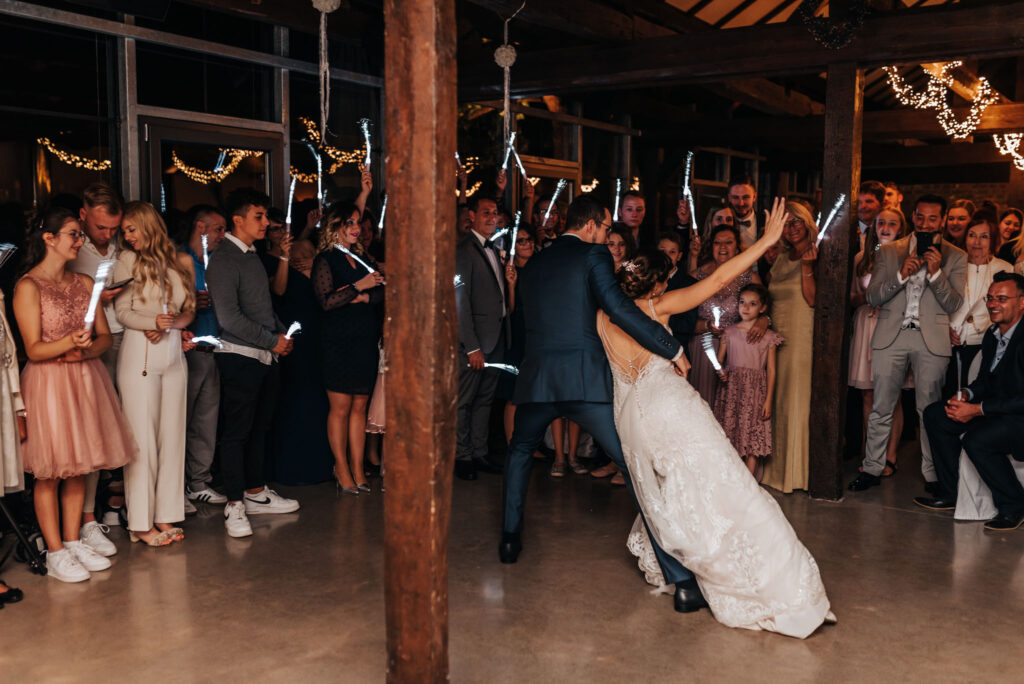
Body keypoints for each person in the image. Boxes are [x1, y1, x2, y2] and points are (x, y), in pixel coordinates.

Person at [599, 198, 834, 638]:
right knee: (727, 486)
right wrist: (764, 241)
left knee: (670, 492)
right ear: (657, 286)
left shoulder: (601, 317)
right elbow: (721, 278)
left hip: (630, 415)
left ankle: (687, 575)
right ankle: (764, 579)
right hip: (671, 407)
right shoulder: (659, 307)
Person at [499, 195, 707, 615]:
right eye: (606, 227)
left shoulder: (534, 262)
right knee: (632, 468)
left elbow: (523, 320)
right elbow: (617, 309)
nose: (607, 235)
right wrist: (669, 347)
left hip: (538, 379)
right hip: (584, 382)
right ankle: (682, 582)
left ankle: (508, 540)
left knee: (519, 452)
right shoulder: (592, 255)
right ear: (592, 225)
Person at [13, 206, 135, 581]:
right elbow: (33, 349)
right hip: (48, 384)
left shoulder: (84, 282)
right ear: (49, 238)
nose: (79, 241)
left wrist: (85, 350)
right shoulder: (28, 286)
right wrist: (69, 342)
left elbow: (104, 338)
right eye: (73, 234)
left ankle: (73, 540)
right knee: (51, 472)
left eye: (80, 234)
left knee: (80, 466)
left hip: (85, 379)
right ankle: (54, 552)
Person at [849, 194, 967, 494]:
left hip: (932, 340)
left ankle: (932, 474)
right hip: (891, 335)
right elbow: (873, 297)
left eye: (932, 218)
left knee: (929, 411)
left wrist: (937, 273)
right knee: (881, 406)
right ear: (913, 217)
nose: (925, 223)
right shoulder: (890, 251)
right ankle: (872, 468)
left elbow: (954, 303)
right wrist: (901, 276)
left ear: (942, 220)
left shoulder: (956, 255)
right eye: (920, 217)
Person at [205, 188, 300, 538]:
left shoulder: (251, 254)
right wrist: (271, 340)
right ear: (238, 219)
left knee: (260, 427)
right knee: (236, 433)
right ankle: (234, 504)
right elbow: (229, 318)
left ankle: (256, 492)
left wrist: (279, 334)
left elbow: (262, 306)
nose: (265, 223)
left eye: (265, 217)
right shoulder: (224, 258)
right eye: (258, 217)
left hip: (264, 354)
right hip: (239, 357)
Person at [915, 272, 1024, 531]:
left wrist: (977, 410)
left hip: (1019, 417)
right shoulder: (992, 334)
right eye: (990, 298)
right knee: (935, 414)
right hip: (997, 412)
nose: (993, 304)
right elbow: (986, 381)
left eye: (1002, 299)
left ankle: (1015, 506)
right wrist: (966, 394)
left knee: (978, 439)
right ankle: (951, 493)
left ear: (1022, 302)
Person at [114, 202, 195, 546]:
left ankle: (165, 515)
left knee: (173, 440)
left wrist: (172, 324)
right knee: (142, 442)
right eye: (124, 231)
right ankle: (140, 522)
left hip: (174, 354)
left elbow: (189, 310)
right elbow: (121, 311)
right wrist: (152, 322)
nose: (128, 236)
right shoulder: (127, 260)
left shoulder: (180, 260)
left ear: (149, 225)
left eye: (132, 229)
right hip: (140, 354)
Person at [67, 183, 125, 552]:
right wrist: (94, 296)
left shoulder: (123, 244)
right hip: (85, 345)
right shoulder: (71, 248)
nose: (107, 235)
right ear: (83, 215)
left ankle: (115, 504)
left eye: (113, 229)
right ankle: (87, 516)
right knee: (91, 431)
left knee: (120, 425)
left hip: (125, 337)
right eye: (101, 227)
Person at [312, 203, 385, 493]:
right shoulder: (326, 259)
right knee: (340, 408)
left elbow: (383, 290)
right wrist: (359, 287)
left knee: (360, 408)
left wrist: (363, 296)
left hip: (365, 339)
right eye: (349, 223)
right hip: (338, 341)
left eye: (357, 222)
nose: (356, 228)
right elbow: (326, 301)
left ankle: (357, 467)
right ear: (335, 227)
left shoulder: (363, 257)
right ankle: (341, 467)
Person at [848, 208, 910, 476]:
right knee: (869, 395)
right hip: (867, 324)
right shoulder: (862, 258)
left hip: (894, 325)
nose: (885, 227)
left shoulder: (908, 257)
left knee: (892, 395)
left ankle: (890, 456)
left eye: (892, 223)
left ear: (901, 228)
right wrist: (868, 297)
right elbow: (852, 298)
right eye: (881, 223)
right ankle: (870, 454)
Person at [763, 201, 818, 493]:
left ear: (807, 223)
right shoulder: (781, 257)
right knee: (778, 399)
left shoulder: (818, 253)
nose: (792, 228)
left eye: (797, 221)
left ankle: (797, 474)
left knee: (796, 400)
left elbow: (813, 300)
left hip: (801, 338)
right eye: (786, 224)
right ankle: (776, 470)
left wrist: (807, 267)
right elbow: (768, 296)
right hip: (777, 338)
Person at [454, 195, 507, 482]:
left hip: (496, 337)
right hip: (475, 341)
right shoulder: (463, 249)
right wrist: (471, 345)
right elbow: (459, 300)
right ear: (471, 216)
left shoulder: (494, 247)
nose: (491, 217)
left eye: (494, 212)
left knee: (485, 399)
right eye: (485, 212)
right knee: (464, 400)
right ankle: (461, 456)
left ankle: (479, 452)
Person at [180, 206, 228, 506]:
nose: (223, 235)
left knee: (206, 423)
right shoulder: (178, 259)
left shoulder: (217, 262)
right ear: (201, 227)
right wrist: (189, 302)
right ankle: (177, 487)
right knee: (180, 421)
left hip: (215, 350)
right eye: (219, 228)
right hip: (188, 350)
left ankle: (199, 482)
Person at [688, 224, 766, 407]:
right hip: (702, 349)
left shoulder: (750, 278)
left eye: (728, 242)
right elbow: (682, 320)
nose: (722, 247)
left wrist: (764, 320)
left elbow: (764, 309)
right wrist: (706, 326)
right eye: (717, 243)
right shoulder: (696, 276)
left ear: (737, 247)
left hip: (736, 352)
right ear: (711, 247)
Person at [713, 283, 783, 479]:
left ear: (762, 308)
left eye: (752, 304)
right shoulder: (729, 332)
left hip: (755, 393)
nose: (745, 307)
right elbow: (719, 361)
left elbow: (772, 370)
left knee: (752, 434)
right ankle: (733, 479)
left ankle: (749, 482)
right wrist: (720, 371)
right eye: (742, 302)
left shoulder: (769, 337)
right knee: (731, 431)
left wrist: (768, 400)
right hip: (732, 391)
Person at [946, 216, 1011, 396]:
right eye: (972, 235)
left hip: (987, 344)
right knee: (950, 393)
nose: (977, 242)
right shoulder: (951, 266)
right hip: (951, 342)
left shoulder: (1005, 268)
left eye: (984, 236)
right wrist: (944, 328)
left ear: (993, 240)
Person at [726, 176, 759, 249]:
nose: (741, 203)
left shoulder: (766, 221)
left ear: (754, 197)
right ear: (729, 198)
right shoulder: (722, 221)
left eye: (745, 197)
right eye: (736, 197)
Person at [856, 181, 885, 251]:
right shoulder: (847, 230)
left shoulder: (886, 230)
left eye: (869, 201)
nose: (863, 206)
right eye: (859, 202)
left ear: (881, 204)